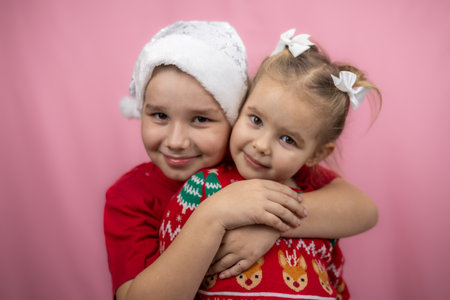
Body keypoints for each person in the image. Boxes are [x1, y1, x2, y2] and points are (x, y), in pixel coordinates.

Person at [104, 21, 378, 300]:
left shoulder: (257, 165)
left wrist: (271, 223)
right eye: (160, 116)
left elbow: (363, 209)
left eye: (200, 119)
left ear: (233, 113)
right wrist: (214, 214)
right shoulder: (129, 197)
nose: (177, 141)